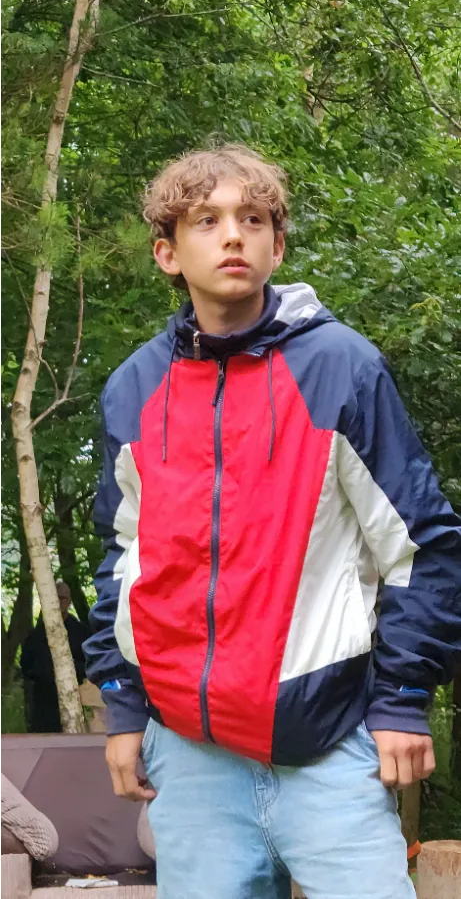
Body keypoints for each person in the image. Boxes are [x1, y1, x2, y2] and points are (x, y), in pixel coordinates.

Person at [83, 144, 461, 899]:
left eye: (251, 220)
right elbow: (125, 561)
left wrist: (399, 702)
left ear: (276, 245)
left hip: (330, 750)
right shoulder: (133, 390)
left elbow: (422, 545)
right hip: (191, 761)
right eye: (207, 221)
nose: (232, 236)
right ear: (167, 252)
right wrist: (123, 705)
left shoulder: (341, 368)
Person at [21, 580, 88, 733]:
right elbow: (26, 666)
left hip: (76, 699)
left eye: (63, 598)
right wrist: (43, 671)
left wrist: (70, 669)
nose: (59, 602)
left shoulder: (81, 632)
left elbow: (90, 665)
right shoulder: (37, 634)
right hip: (44, 702)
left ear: (70, 600)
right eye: (55, 597)